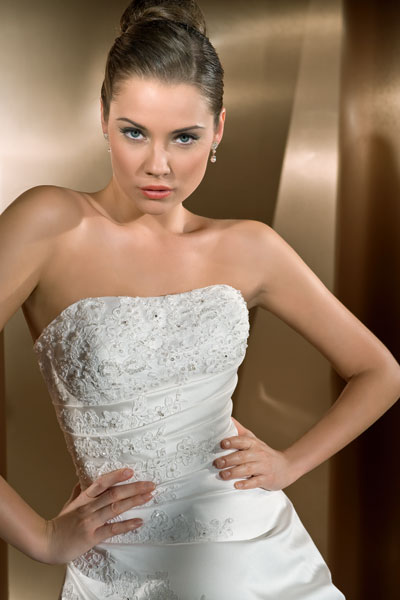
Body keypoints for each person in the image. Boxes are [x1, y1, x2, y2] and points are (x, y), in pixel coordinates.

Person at [0, 0, 399, 598]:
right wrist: (40, 536)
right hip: (120, 564)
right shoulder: (51, 222)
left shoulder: (250, 248)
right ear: (103, 117)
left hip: (256, 556)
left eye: (184, 137)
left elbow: (380, 372)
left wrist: (288, 463)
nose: (157, 165)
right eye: (134, 132)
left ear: (218, 131)